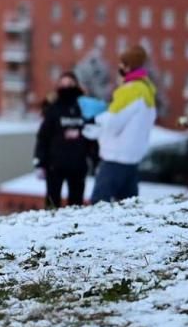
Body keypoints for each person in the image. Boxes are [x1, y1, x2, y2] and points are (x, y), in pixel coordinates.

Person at [89, 46, 157, 204]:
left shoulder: (129, 91)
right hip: (133, 158)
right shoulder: (147, 90)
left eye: (121, 64)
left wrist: (95, 121)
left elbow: (113, 122)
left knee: (99, 204)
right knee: (129, 207)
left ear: (127, 66)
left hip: (115, 157)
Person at [34, 72, 97, 207]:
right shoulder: (53, 108)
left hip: (78, 165)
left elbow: (94, 137)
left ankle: (74, 228)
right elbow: (43, 136)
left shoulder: (85, 107)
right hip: (55, 165)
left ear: (76, 85)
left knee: (76, 205)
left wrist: (96, 160)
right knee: (52, 203)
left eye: (70, 83)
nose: (66, 86)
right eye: (63, 83)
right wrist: (39, 162)